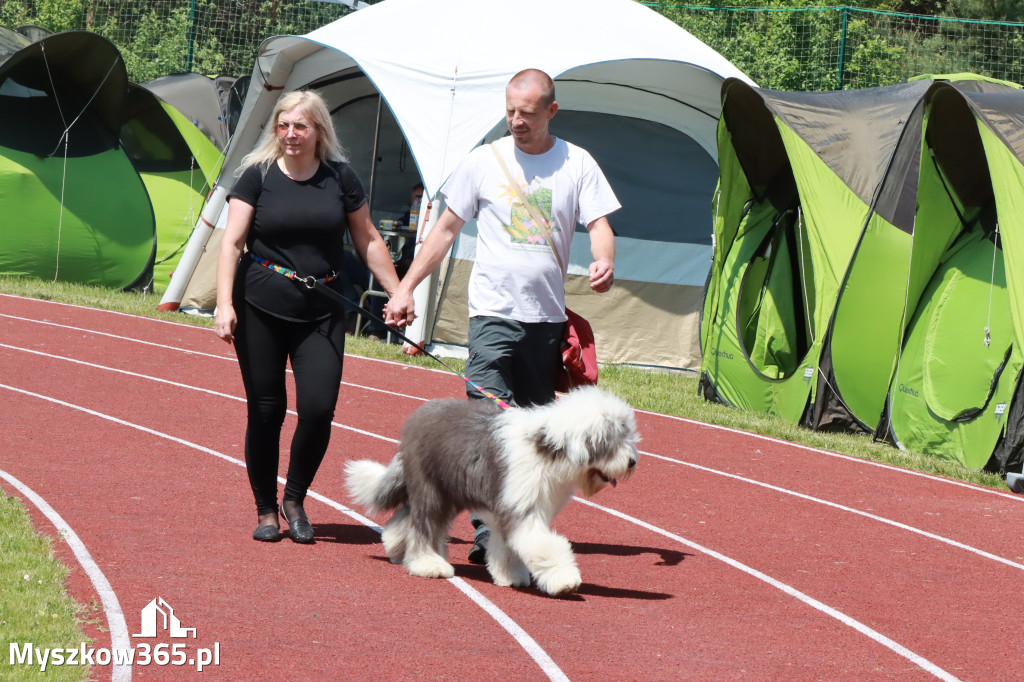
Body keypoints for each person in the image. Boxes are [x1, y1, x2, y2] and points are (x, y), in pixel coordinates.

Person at [384, 68, 619, 563]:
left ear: (551, 111)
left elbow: (599, 222)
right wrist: (405, 288)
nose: (515, 121)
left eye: (527, 114)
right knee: (489, 423)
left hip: (546, 324)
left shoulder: (577, 163)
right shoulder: (483, 162)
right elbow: (445, 231)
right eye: (509, 111)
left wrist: (605, 258)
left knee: (532, 436)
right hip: (491, 315)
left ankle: (511, 525)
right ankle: (492, 536)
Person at [215, 90, 401, 544]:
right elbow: (232, 243)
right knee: (266, 411)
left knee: (318, 409)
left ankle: (294, 497)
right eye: (283, 125)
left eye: (300, 126)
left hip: (321, 308)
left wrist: (398, 292)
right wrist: (224, 303)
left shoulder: (341, 178)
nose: (290, 134)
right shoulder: (256, 176)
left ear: (319, 131)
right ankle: (265, 510)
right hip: (259, 306)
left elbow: (369, 239)